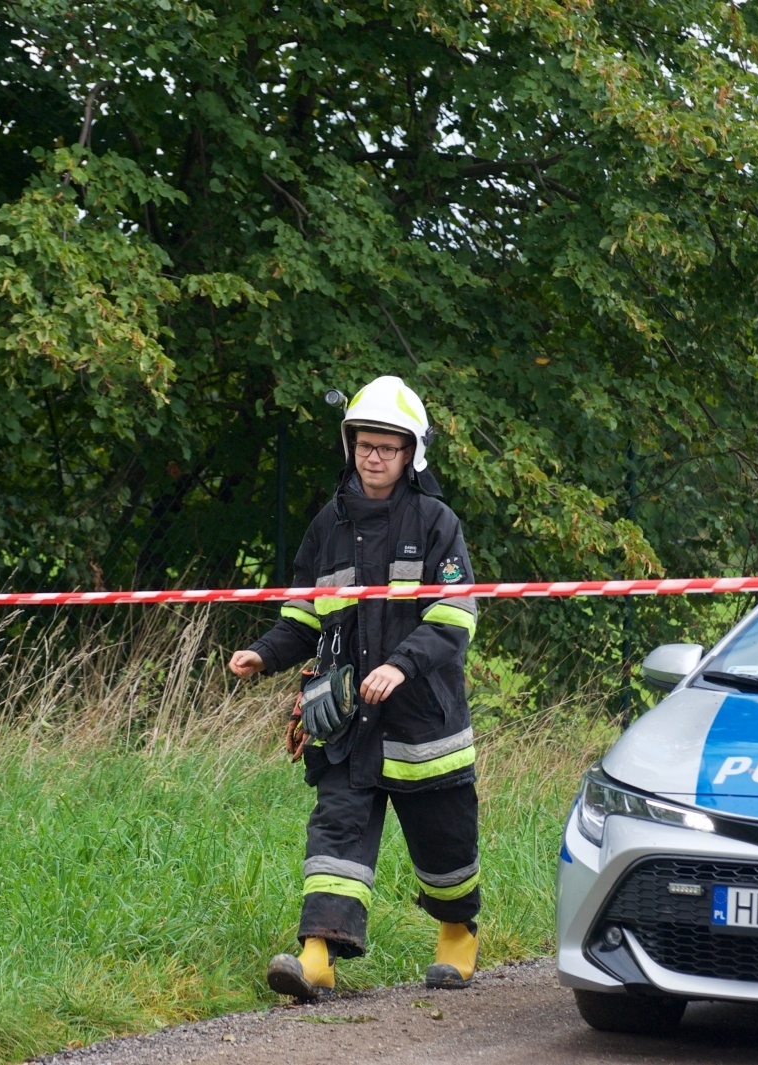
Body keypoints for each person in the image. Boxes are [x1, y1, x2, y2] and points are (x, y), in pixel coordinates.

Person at [228, 376, 481, 1001]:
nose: (374, 457)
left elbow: (454, 615)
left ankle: (457, 931)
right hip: (346, 725)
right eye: (365, 445)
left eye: (387, 448)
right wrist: (263, 654)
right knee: (336, 832)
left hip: (425, 723)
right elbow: (305, 617)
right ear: (352, 447)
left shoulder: (437, 522)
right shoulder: (328, 526)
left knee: (444, 845)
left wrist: (401, 665)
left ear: (410, 454)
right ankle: (316, 957)